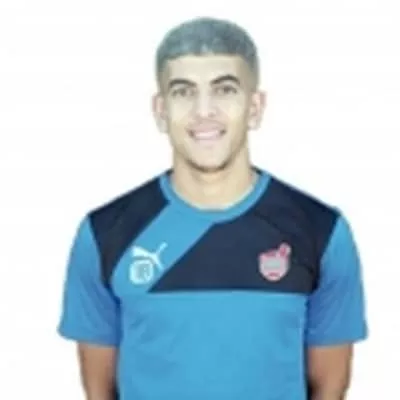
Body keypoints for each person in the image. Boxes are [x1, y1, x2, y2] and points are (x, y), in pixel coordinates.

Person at [57, 16, 368, 400]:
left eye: (224, 90)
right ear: (160, 110)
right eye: (183, 92)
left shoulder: (322, 232)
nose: (204, 111)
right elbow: (99, 390)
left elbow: (330, 387)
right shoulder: (105, 234)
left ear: (255, 107)